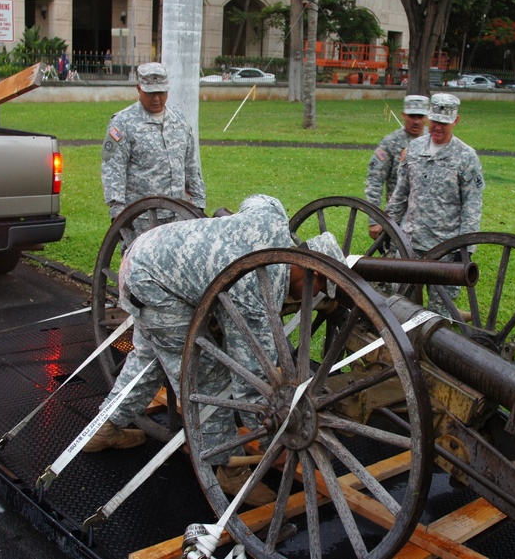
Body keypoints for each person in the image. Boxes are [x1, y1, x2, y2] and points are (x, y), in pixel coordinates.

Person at [82, 194, 344, 508]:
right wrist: (276, 439)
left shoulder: (273, 219)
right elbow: (250, 382)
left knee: (149, 357)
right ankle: (227, 469)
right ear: (310, 271)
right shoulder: (257, 293)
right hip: (157, 283)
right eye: (319, 290)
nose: (314, 298)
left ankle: (104, 429)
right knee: (208, 377)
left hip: (151, 255)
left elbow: (261, 199)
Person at [386, 93, 484, 313]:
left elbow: (472, 206)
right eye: (435, 121)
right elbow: (400, 193)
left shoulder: (466, 157)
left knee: (439, 313)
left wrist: (466, 247)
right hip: (409, 241)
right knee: (402, 307)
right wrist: (388, 226)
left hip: (445, 247)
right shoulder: (414, 149)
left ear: (456, 121)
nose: (437, 127)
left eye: (444, 123)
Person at [101, 62, 206, 223]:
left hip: (177, 216)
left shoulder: (179, 120)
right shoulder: (122, 123)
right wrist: (118, 214)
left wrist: (198, 202)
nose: (156, 99)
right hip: (141, 218)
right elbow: (113, 169)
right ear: (139, 89)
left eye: (161, 92)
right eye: (150, 93)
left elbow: (191, 164)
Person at [364, 94, 429, 240]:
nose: (416, 121)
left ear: (426, 117)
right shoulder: (390, 143)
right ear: (404, 115)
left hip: (429, 217)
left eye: (420, 116)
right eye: (412, 116)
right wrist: (374, 220)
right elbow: (375, 180)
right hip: (398, 217)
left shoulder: (434, 141)